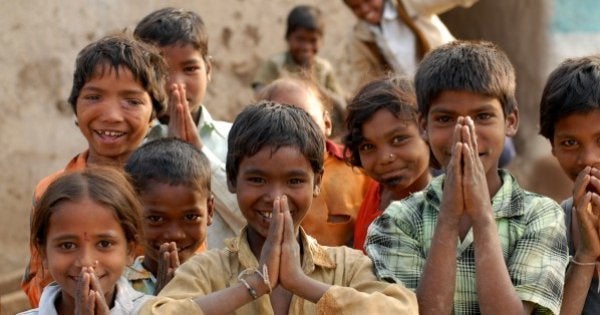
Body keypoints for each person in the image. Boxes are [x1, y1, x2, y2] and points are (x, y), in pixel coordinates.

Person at [139, 101, 417, 314]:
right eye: (258, 180)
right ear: (233, 179)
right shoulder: (208, 270)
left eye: (294, 181)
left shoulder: (347, 267)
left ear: (317, 182)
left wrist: (300, 283)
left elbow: (402, 310)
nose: (275, 197)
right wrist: (252, 287)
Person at [365, 40, 568, 314]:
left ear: (510, 121)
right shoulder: (397, 221)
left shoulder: (540, 216)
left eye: (483, 116)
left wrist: (482, 217)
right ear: (423, 125)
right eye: (445, 119)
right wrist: (448, 218)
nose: (466, 134)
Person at [21, 33, 168, 307]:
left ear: (154, 114)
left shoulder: (170, 190)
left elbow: (197, 274)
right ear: (75, 105)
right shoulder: (50, 191)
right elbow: (37, 282)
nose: (111, 114)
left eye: (132, 101)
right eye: (94, 96)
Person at [134, 7, 244, 250]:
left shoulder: (236, 139)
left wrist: (198, 153)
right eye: (161, 71)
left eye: (190, 69)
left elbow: (253, 220)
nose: (176, 84)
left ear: (209, 70)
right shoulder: (131, 147)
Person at [539, 54, 600, 314]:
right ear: (553, 147)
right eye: (570, 142)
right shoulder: (551, 224)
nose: (589, 159)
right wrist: (586, 254)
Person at [19, 168, 150, 314]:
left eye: (104, 244)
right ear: (43, 253)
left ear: (130, 249)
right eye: (67, 245)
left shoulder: (159, 311)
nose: (86, 262)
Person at [257, 78, 371, 246]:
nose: (294, 131)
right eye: (279, 121)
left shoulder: (358, 167)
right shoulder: (259, 173)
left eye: (306, 118)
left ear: (327, 123)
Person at [343, 76, 431, 251]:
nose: (385, 158)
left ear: (427, 131)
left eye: (399, 139)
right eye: (368, 146)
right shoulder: (376, 191)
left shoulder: (437, 217)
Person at [123, 138, 214, 295]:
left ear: (210, 210)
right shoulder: (118, 290)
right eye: (156, 219)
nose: (175, 234)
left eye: (190, 217)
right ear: (131, 215)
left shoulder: (226, 282)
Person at [341, 0, 478, 81]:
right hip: (418, 95)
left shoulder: (409, 4)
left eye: (368, 0)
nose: (365, 9)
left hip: (452, 72)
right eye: (356, 7)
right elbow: (364, 79)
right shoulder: (359, 37)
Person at [252, 5, 342, 97]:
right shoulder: (276, 64)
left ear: (322, 41)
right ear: (287, 37)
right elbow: (259, 95)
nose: (306, 47)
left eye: (313, 40)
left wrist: (314, 86)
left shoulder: (324, 69)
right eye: (300, 39)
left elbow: (340, 103)